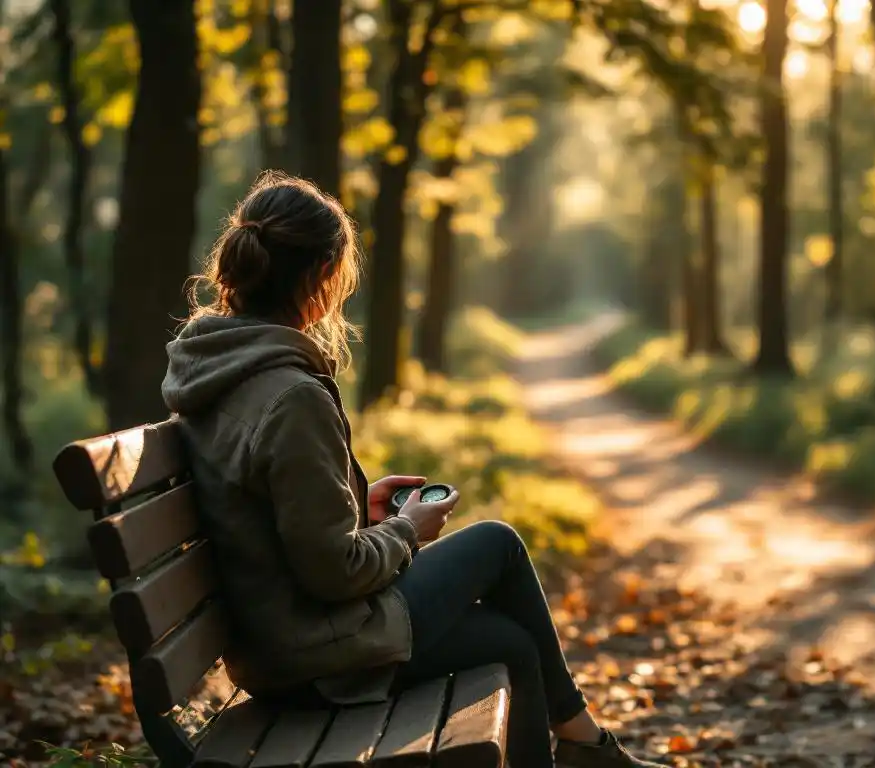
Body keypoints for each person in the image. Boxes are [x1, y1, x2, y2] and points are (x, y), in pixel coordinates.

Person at [161, 171, 662, 768]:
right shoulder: (290, 396)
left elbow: (272, 514)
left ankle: (583, 744)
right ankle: (588, 745)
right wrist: (405, 531)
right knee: (498, 544)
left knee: (512, 642)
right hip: (315, 658)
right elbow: (334, 574)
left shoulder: (213, 369)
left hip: (278, 643)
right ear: (322, 276)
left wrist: (360, 505)